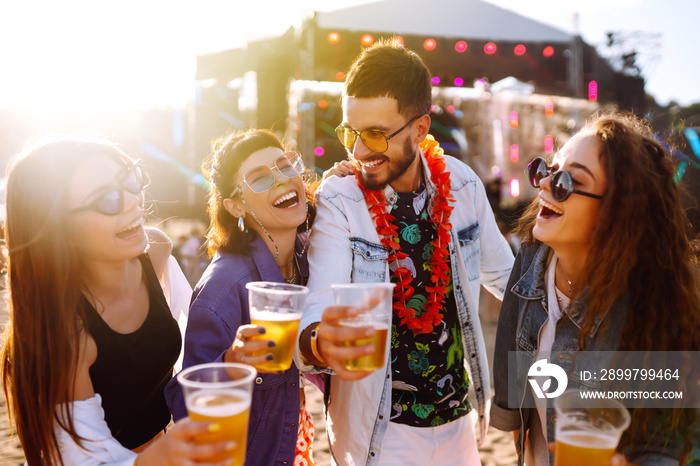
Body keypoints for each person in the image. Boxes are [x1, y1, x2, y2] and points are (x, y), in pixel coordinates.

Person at [295, 40, 515, 465]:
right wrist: (322, 343)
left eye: (376, 133)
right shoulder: (341, 198)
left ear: (419, 129)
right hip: (380, 433)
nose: (358, 151)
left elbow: (509, 280)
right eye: (349, 132)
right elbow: (317, 308)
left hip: (458, 421)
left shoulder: (463, 183)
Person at [0, 138, 234, 466]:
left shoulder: (156, 252)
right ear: (57, 226)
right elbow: (81, 456)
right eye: (106, 199)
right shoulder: (65, 330)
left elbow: (186, 340)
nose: (132, 202)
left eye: (129, 180)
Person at [490, 113, 700, 465]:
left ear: (616, 213)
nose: (543, 186)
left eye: (565, 183)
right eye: (546, 170)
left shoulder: (652, 304)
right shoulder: (529, 258)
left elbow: (663, 443)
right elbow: (513, 395)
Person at [164, 129, 350, 465]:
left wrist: (340, 191)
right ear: (236, 205)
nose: (281, 181)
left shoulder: (307, 257)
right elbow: (184, 407)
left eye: (286, 166)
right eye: (260, 178)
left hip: (292, 440)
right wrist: (234, 362)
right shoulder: (222, 290)